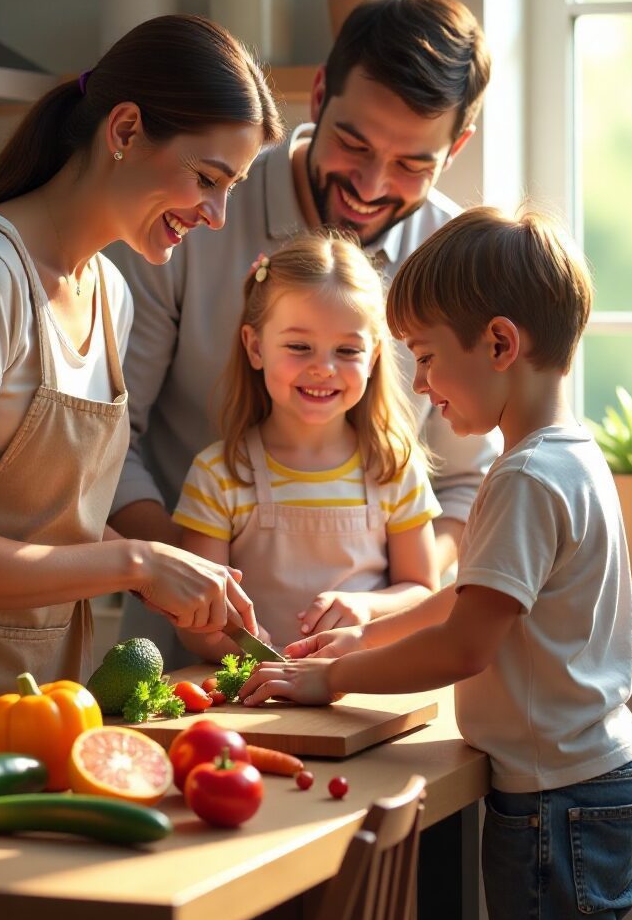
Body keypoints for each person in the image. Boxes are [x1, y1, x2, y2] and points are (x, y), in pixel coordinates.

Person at [238, 206, 632, 920]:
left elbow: (465, 644)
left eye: (425, 358)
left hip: (554, 801)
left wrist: (332, 679)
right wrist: (368, 636)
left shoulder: (525, 476)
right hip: (591, 779)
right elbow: (476, 599)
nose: (421, 386)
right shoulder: (572, 451)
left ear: (499, 343)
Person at [0, 14, 283, 699]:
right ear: (124, 131)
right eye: (207, 178)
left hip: (47, 702)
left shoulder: (110, 294)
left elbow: (45, 526)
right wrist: (135, 562)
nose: (215, 215)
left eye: (232, 189)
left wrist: (176, 573)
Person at [107, 0, 499, 664]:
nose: (372, 186)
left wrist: (388, 605)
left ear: (456, 147)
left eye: (413, 165)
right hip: (184, 656)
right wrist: (193, 581)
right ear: (318, 97)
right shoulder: (189, 216)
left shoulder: (458, 266)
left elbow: (466, 483)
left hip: (368, 669)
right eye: (353, 143)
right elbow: (112, 438)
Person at [172, 229, 440, 660]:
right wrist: (271, 666)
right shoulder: (218, 475)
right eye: (299, 346)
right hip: (253, 698)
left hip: (362, 692)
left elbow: (425, 591)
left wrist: (366, 607)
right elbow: (198, 622)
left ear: (373, 357)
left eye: (348, 350)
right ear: (255, 347)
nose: (323, 368)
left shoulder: (393, 466)